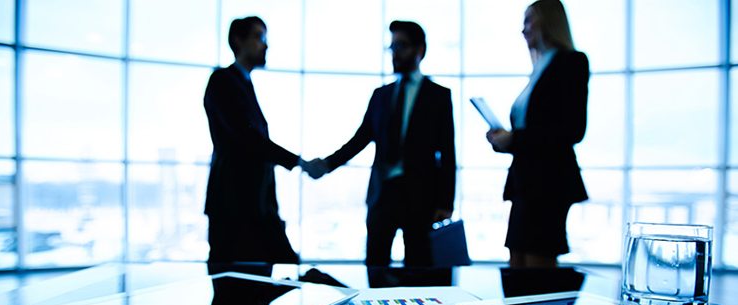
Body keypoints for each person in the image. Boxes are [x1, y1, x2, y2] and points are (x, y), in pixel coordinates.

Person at [306, 21, 456, 267]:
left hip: (421, 197)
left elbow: (448, 152)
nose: (395, 52)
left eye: (402, 45)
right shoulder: (381, 95)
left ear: (421, 50)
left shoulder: (438, 96)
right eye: (392, 46)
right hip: (382, 195)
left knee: (419, 273)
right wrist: (326, 165)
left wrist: (446, 203)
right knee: (375, 269)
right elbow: (360, 139)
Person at [203, 16, 318, 270]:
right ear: (238, 40)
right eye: (259, 37)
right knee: (235, 290)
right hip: (234, 205)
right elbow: (248, 138)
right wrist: (298, 162)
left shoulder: (242, 83)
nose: (265, 45)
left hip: (257, 205)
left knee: (266, 282)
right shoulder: (222, 81)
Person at [485, 0, 589, 268]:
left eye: (529, 20)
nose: (523, 30)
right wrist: (505, 140)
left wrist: (515, 139)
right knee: (518, 265)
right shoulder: (539, 70)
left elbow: (572, 130)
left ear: (550, 21)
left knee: (536, 271)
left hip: (548, 183)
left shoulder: (571, 62)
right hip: (525, 182)